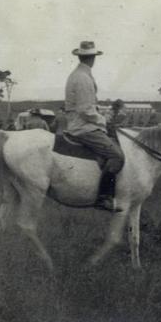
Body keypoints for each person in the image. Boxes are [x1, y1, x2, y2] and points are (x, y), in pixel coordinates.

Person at [64, 41, 124, 212]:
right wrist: (103, 120)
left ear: (80, 56)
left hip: (82, 123)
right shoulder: (82, 78)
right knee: (117, 156)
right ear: (93, 58)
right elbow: (85, 110)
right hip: (83, 127)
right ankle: (104, 197)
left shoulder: (79, 74)